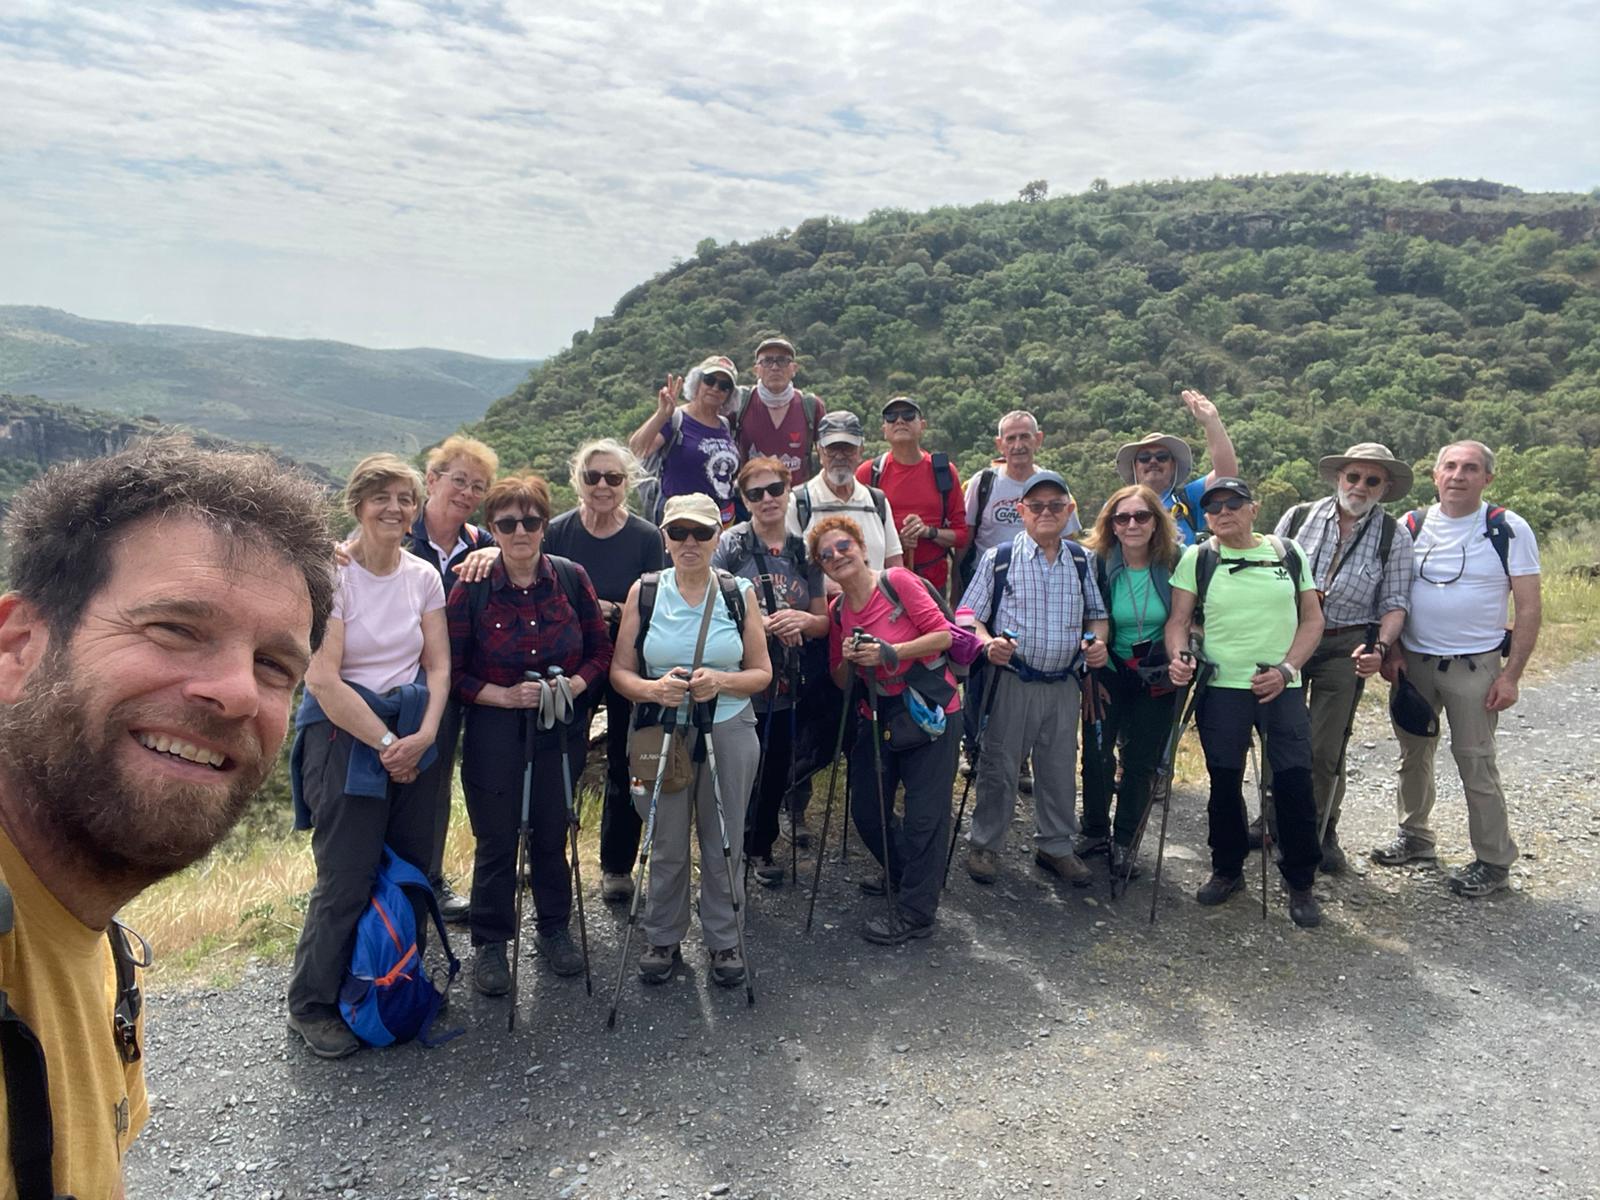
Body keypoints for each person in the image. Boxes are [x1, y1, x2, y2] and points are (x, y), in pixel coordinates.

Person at [0, 437, 333, 1195]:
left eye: (274, 666)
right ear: (18, 647)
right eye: (176, 628)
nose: (238, 693)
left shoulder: (101, 946)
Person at [286, 454, 452, 1058]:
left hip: (412, 732)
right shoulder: (331, 576)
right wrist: (388, 747)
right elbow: (324, 681)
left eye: (406, 498)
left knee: (413, 869)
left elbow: (437, 663)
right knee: (347, 877)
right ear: (357, 504)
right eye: (381, 497)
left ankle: (397, 978)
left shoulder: (422, 575)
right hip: (343, 737)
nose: (395, 508)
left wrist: (426, 734)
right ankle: (312, 1004)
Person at [448, 474, 612, 995]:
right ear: (491, 529)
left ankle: (554, 929)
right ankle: (491, 944)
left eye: (531, 521)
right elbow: (447, 671)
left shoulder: (569, 576)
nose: (521, 531)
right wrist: (503, 696)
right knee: (496, 839)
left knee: (551, 831)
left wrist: (578, 683)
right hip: (494, 729)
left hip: (558, 726)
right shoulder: (470, 588)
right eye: (508, 522)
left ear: (544, 524)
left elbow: (601, 649)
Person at [609, 494, 771, 986]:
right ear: (665, 537)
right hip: (661, 728)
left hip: (728, 727)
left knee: (725, 837)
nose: (690, 542)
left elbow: (761, 673)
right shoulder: (646, 591)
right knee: (665, 838)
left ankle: (725, 942)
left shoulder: (737, 591)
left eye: (701, 532)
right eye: (678, 532)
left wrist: (719, 681)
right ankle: (663, 935)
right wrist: (654, 689)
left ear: (717, 536)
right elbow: (620, 672)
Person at [1372, 441, 1541, 898]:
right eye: (1450, 466)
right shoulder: (1412, 525)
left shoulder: (1507, 528)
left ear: (1487, 478)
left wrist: (1511, 676)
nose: (1458, 475)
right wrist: (1394, 652)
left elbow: (1528, 609)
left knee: (1476, 763)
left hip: (1476, 667)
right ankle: (1415, 837)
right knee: (1413, 755)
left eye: (1470, 468)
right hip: (1416, 664)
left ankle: (1493, 860)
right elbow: (1394, 594)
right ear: (1435, 475)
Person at [1166, 478, 1326, 928]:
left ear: (1253, 508)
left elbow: (1312, 620)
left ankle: (1300, 881)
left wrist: (1288, 670)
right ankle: (1227, 869)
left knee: (1294, 785)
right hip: (1221, 688)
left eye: (1232, 503)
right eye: (1212, 506)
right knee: (1223, 783)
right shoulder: (1199, 558)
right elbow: (1178, 621)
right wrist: (1179, 657)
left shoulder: (1287, 552)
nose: (1222, 512)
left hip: (1283, 687)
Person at [957, 471, 1108, 888]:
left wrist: (1097, 644)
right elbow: (968, 618)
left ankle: (1056, 846)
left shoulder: (1082, 561)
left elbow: (1096, 614)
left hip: (1064, 683)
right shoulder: (998, 559)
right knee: (999, 765)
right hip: (1011, 680)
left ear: (1070, 511)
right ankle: (985, 843)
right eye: (1036, 506)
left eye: (1055, 506)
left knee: (1059, 768)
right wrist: (987, 645)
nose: (1046, 513)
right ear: (1020, 511)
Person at [814, 515, 960, 945]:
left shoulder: (897, 581)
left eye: (842, 547)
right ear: (823, 569)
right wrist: (848, 658)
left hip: (931, 707)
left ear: (861, 547)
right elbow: (841, 680)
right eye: (826, 555)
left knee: (925, 815)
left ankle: (916, 911)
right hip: (877, 712)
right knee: (867, 810)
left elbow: (943, 636)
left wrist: (889, 653)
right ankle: (908, 874)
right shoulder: (839, 610)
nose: (837, 557)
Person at [1272, 443, 1416, 873]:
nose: (1360, 486)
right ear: (1339, 477)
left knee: (1325, 745)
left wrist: (1381, 647)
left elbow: (1394, 602)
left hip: (1345, 644)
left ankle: (1319, 828)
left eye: (1372, 480)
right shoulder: (1298, 517)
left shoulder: (1395, 535)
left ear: (1385, 487)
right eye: (1353, 477)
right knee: (1279, 735)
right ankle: (1274, 820)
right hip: (1291, 638)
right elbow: (1270, 572)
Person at [543, 439, 667, 904]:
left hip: (627, 659)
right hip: (569, 661)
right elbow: (541, 593)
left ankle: (616, 865)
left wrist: (604, 609)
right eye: (592, 476)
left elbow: (653, 602)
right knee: (559, 755)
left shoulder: (645, 537)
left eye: (613, 478)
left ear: (626, 483)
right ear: (577, 479)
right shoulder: (557, 532)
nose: (602, 486)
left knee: (626, 757)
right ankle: (547, 855)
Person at [388, 435, 499, 922]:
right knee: (387, 780)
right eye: (459, 480)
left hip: (454, 682)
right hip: (391, 681)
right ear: (431, 480)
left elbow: (523, 559)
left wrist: (496, 556)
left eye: (478, 486)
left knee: (433, 786)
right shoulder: (398, 532)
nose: (467, 493)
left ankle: (425, 880)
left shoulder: (480, 544)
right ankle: (379, 885)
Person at [713, 458, 828, 884]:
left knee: (776, 765)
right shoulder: (731, 546)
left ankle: (760, 847)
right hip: (738, 679)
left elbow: (822, 618)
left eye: (774, 489)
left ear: (789, 490)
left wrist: (801, 622)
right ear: (743, 501)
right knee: (735, 766)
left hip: (787, 681)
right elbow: (715, 602)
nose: (767, 500)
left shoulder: (804, 549)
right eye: (755, 493)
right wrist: (758, 624)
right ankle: (728, 847)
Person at [1077, 485, 1184, 878]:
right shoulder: (1098, 563)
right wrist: (1092, 649)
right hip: (1108, 668)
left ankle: (1125, 841)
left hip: (1157, 672)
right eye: (1122, 518)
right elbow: (1087, 616)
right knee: (1096, 753)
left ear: (1157, 521)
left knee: (1142, 761)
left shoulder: (1178, 562)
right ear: (1111, 525)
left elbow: (1191, 618)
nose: (1132, 524)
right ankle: (1093, 831)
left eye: (1142, 516)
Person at [959, 409, 1080, 590]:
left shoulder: (1053, 485)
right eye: (1010, 438)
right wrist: (956, 590)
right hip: (986, 585)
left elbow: (1068, 540)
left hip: (1040, 585)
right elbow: (964, 541)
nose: (1018, 445)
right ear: (1000, 444)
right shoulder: (982, 483)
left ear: (1038, 439)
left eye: (1024, 437)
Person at [859, 397, 967, 593]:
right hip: (882, 584)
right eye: (891, 417)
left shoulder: (943, 472)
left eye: (908, 415)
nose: (899, 421)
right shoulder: (869, 473)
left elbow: (961, 535)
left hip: (932, 585)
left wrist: (927, 532)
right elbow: (855, 531)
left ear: (922, 425)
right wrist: (894, 543)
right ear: (884, 429)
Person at [1113, 390, 1239, 546]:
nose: (1153, 461)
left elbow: (1227, 475)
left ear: (1173, 466)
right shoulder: (1117, 506)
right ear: (1134, 466)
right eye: (1144, 458)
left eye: (1162, 457)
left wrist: (1212, 422)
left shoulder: (1189, 497)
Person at [629, 355, 742, 524]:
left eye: (724, 386)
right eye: (710, 380)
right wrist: (661, 415)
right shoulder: (676, 419)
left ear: (730, 394)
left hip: (721, 520)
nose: (716, 388)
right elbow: (638, 449)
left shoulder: (725, 425)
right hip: (682, 520)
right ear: (697, 383)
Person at [788, 410, 904, 572]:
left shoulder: (877, 502)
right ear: (819, 451)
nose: (840, 456)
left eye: (848, 448)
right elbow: (790, 568)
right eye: (832, 448)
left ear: (860, 451)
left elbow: (894, 564)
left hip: (874, 597)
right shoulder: (798, 503)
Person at [727, 334, 826, 486]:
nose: (775, 367)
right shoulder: (739, 402)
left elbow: (827, 454)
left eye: (782, 361)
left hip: (796, 501)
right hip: (751, 500)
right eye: (767, 361)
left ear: (794, 369)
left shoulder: (811, 406)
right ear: (756, 370)